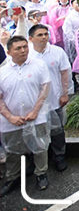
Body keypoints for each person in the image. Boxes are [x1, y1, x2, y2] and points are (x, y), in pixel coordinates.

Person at [0, 35, 51, 195]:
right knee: (12, 151)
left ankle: (41, 173)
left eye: (25, 47)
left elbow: (45, 88)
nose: (23, 50)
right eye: (18, 48)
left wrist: (35, 111)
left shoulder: (39, 65)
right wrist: (10, 117)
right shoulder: (2, 72)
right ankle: (12, 177)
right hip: (10, 121)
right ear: (9, 52)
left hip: (36, 116)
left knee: (40, 147)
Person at [28, 24, 71, 172]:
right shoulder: (27, 55)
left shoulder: (57, 52)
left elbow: (65, 72)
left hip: (55, 98)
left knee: (57, 131)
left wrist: (65, 93)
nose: (44, 37)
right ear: (31, 38)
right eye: (40, 35)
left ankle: (59, 156)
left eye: (46, 34)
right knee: (37, 132)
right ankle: (37, 161)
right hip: (34, 104)